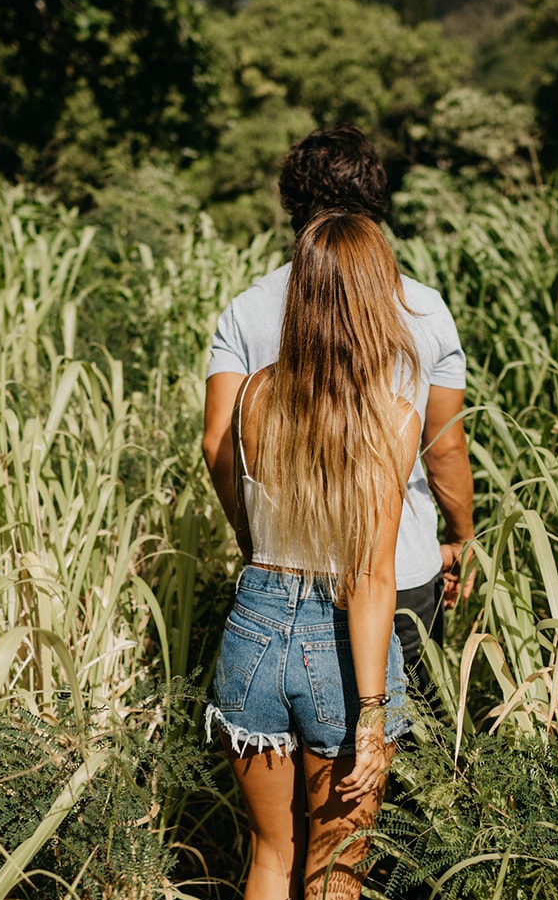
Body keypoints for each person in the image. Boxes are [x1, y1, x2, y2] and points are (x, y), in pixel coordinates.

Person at [204, 211, 424, 900]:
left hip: (253, 628)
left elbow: (226, 472)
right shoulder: (392, 418)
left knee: (270, 856)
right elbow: (368, 579)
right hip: (336, 649)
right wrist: (369, 715)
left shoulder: (258, 392)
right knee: (333, 887)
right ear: (373, 298)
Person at [203, 125, 476, 690]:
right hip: (399, 568)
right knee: (392, 748)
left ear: (292, 205)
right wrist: (462, 538)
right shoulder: (425, 307)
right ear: (375, 202)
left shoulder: (247, 309)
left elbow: (217, 444)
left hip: (283, 578)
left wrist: (254, 538)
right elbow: (443, 443)